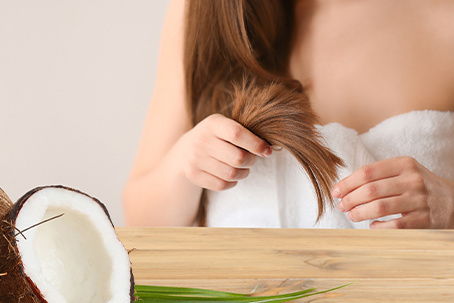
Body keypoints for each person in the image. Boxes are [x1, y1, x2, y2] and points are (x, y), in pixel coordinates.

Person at [123, 0, 454, 229]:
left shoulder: (442, 16)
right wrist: (185, 162)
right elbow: (140, 219)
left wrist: (448, 205)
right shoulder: (206, 14)